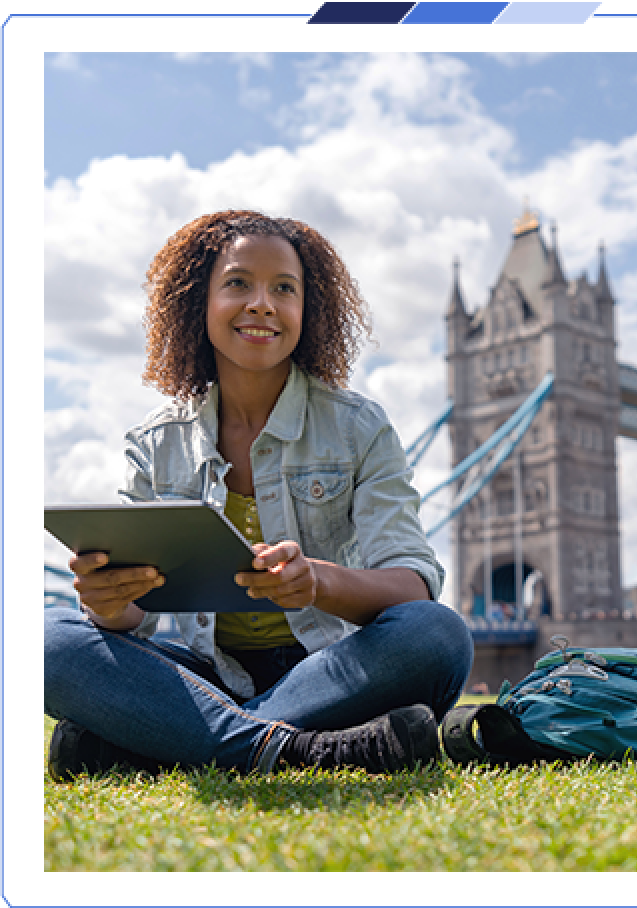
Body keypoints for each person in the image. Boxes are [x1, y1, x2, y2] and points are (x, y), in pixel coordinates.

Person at [44, 210, 474, 780]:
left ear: (307, 311)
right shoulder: (155, 442)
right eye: (238, 283)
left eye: (284, 289)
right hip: (207, 674)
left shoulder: (360, 428)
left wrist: (318, 582)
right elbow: (135, 621)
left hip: (333, 669)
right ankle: (305, 749)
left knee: (438, 634)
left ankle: (160, 743)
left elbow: (412, 585)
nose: (262, 304)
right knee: (43, 639)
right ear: (199, 304)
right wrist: (107, 602)